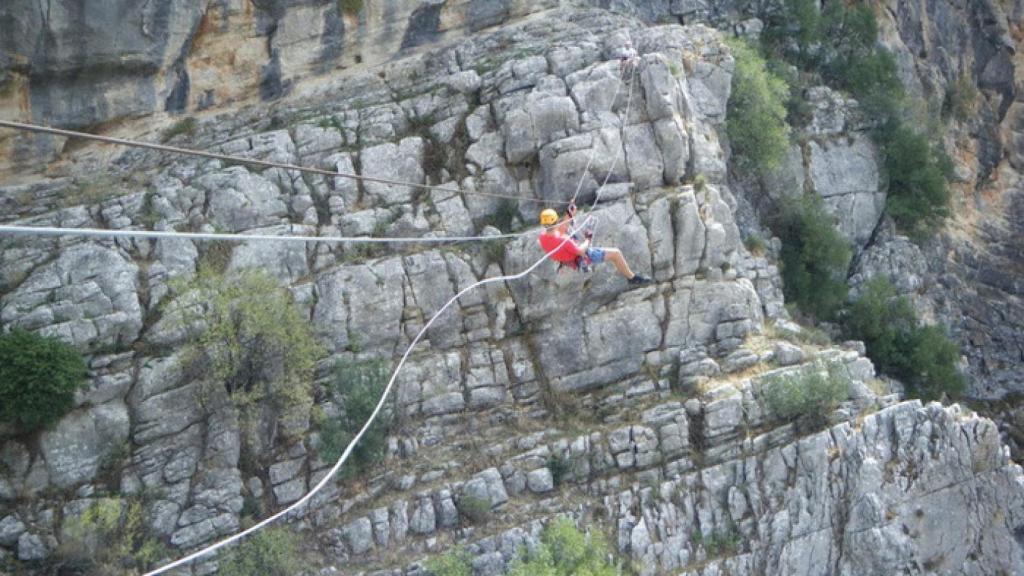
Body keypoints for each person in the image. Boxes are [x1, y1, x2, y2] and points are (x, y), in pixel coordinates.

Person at [538, 207, 651, 285]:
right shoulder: (564, 240)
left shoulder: (542, 236)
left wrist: (570, 214)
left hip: (565, 256)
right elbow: (581, 251)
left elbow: (560, 229)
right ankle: (632, 278)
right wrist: (588, 238)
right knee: (616, 253)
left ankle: (632, 278)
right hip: (578, 257)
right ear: (556, 221)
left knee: (568, 229)